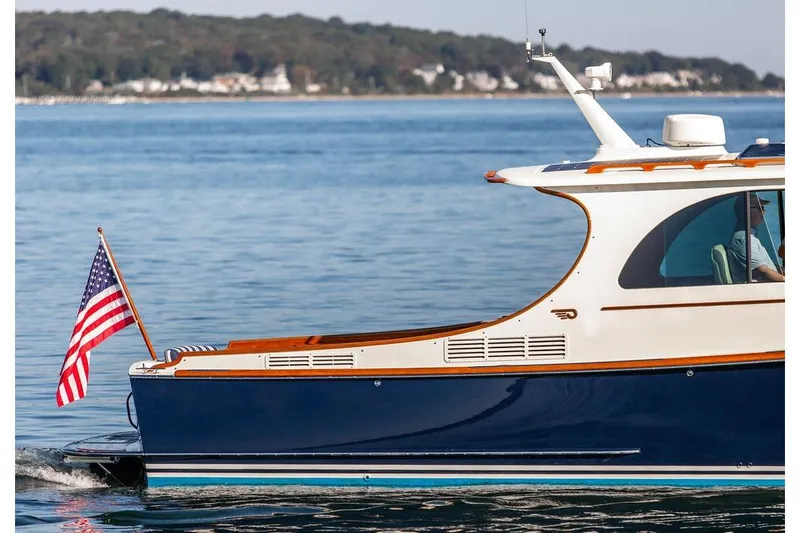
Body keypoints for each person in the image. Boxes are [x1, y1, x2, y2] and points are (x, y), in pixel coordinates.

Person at [728, 193, 785, 282]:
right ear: (746, 211)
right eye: (760, 208)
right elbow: (763, 272)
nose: (764, 212)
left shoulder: (749, 236)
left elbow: (766, 267)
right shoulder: (743, 239)